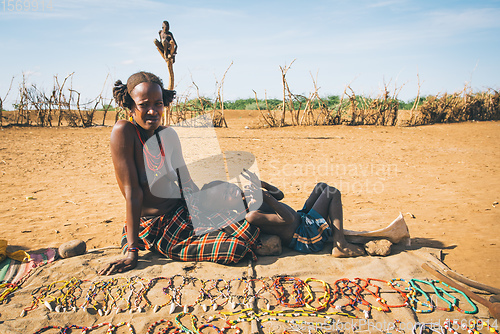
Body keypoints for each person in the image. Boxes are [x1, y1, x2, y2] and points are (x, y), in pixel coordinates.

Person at [99, 72, 260, 275]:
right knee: (234, 249)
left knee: (249, 228)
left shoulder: (169, 136)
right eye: (144, 104)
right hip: (154, 227)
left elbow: (187, 183)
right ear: (131, 106)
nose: (152, 111)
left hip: (182, 211)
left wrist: (207, 210)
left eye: (158, 104)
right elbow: (133, 193)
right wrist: (132, 251)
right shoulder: (124, 132)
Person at [200, 170, 365, 257]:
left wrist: (263, 184)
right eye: (226, 195)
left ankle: (329, 228)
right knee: (332, 192)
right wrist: (266, 197)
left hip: (302, 219)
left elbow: (280, 195)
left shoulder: (249, 196)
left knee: (321, 187)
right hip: (305, 236)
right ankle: (340, 244)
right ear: (226, 209)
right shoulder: (252, 215)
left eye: (228, 187)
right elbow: (288, 218)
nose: (232, 191)